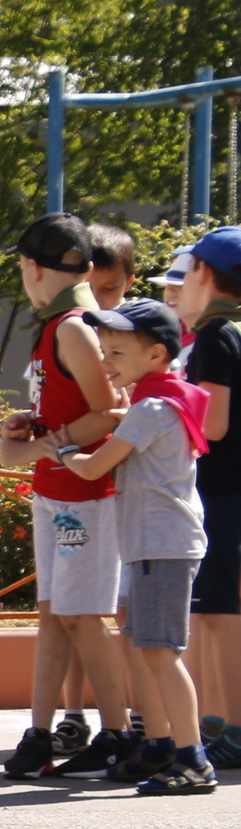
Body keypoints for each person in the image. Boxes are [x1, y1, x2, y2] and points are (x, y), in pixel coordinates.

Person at [27, 297, 214, 794]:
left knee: (161, 653)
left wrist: (58, 446)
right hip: (156, 544)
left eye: (116, 353)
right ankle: (158, 747)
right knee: (149, 649)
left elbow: (93, 467)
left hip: (162, 545)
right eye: (104, 351)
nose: (105, 363)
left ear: (156, 355)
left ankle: (191, 758)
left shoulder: (151, 408)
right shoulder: (159, 400)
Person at [0, 214, 131, 779]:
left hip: (86, 493)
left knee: (81, 618)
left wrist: (42, 445)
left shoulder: (73, 327)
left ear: (32, 267)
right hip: (57, 490)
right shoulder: (57, 324)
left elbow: (110, 411)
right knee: (55, 616)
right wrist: (32, 426)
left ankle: (119, 734)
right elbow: (79, 405)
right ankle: (39, 732)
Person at [173, 227, 241, 773]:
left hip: (219, 490)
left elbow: (213, 425)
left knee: (219, 613)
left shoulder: (215, 336)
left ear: (203, 273)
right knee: (220, 609)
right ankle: (219, 723)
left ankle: (232, 728)